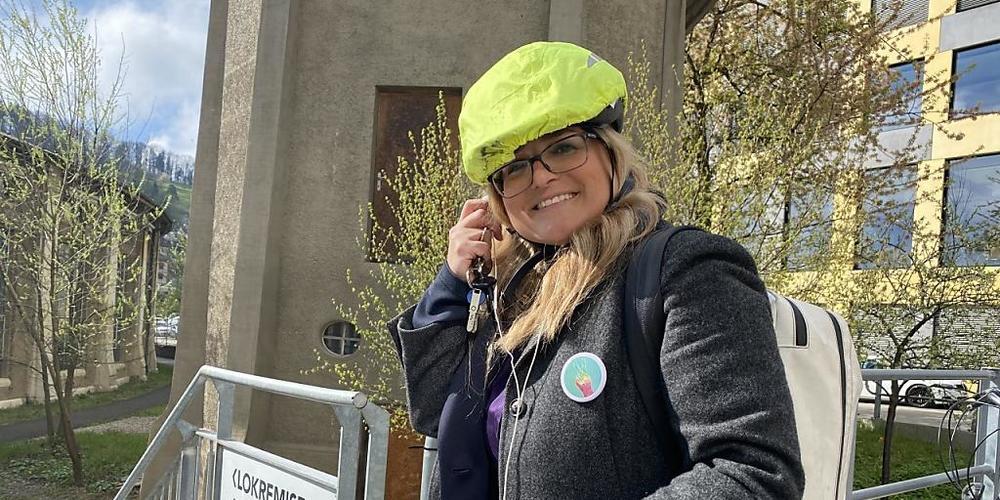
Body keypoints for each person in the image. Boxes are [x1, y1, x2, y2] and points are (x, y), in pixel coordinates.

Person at [388, 41, 804, 499]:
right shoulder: (511, 287)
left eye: (564, 147)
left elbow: (752, 472)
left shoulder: (684, 270)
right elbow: (433, 411)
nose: (541, 176)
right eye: (514, 168)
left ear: (611, 153)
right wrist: (452, 283)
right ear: (499, 199)